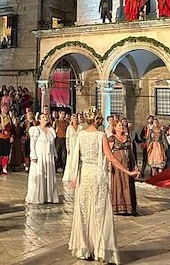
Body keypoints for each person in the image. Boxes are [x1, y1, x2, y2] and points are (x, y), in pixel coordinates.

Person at [68, 108, 139, 263]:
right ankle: (100, 248)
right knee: (99, 212)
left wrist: (73, 177)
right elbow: (112, 159)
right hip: (97, 176)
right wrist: (128, 172)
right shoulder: (101, 136)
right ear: (98, 119)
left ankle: (85, 248)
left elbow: (75, 158)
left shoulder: (80, 135)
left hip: (85, 176)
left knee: (85, 212)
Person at [25, 113, 58, 204]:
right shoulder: (36, 130)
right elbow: (33, 143)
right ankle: (39, 196)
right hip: (40, 154)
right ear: (39, 120)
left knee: (49, 173)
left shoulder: (50, 130)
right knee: (40, 172)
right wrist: (33, 155)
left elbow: (52, 143)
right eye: (43, 117)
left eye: (46, 117)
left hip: (48, 155)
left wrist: (54, 153)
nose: (45, 118)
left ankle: (49, 196)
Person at [109, 120, 138, 216]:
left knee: (128, 183)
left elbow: (132, 152)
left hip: (128, 164)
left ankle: (129, 207)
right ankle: (119, 207)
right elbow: (108, 153)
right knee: (119, 183)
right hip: (118, 165)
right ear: (115, 128)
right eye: (119, 125)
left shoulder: (127, 138)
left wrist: (135, 165)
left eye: (122, 125)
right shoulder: (112, 139)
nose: (121, 127)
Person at [62, 114, 83, 183]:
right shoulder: (69, 128)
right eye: (73, 118)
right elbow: (67, 139)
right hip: (71, 146)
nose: (75, 119)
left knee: (77, 160)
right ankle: (70, 175)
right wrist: (67, 148)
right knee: (71, 160)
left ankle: (77, 176)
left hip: (78, 146)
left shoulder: (80, 127)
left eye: (76, 118)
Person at [0, 104, 12, 175]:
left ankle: (4, 168)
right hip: (0, 137)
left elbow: (12, 128)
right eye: (3, 108)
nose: (5, 109)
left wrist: (12, 136)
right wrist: (1, 131)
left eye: (6, 108)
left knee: (6, 154)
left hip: (7, 137)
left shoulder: (9, 117)